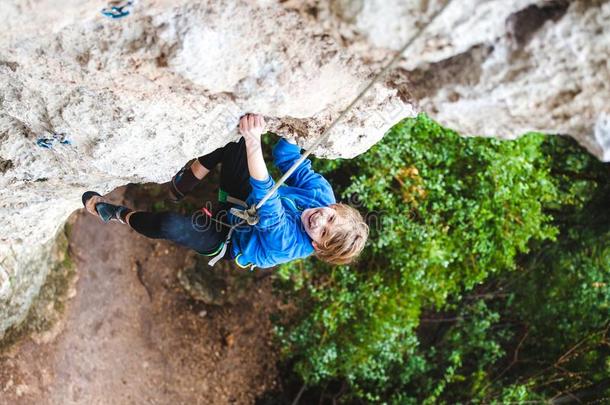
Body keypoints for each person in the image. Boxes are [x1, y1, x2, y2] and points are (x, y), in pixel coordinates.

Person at [82, 114, 369, 269]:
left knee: (169, 225)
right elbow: (287, 155)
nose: (319, 220)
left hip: (229, 238)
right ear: (337, 205)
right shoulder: (321, 194)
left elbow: (267, 198)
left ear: (317, 247)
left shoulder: (288, 244)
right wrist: (298, 120)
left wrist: (255, 140)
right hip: (244, 200)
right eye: (331, 218)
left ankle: (116, 213)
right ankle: (183, 184)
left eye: (322, 233)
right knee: (234, 141)